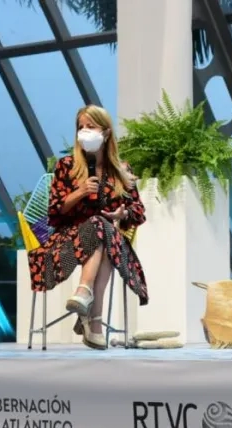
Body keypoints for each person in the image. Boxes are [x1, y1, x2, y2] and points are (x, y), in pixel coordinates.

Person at [28, 105, 149, 350]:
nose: (84, 132)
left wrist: (122, 212)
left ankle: (86, 299)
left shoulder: (122, 172)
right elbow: (54, 210)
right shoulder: (67, 167)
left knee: (103, 229)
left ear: (105, 133)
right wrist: (80, 191)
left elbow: (138, 210)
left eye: (90, 127)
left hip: (110, 241)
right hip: (66, 243)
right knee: (99, 227)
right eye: (80, 127)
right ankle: (94, 318)